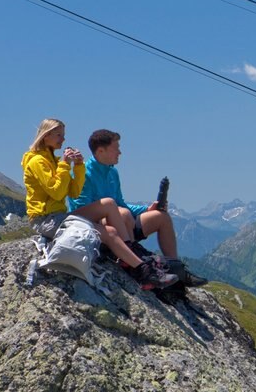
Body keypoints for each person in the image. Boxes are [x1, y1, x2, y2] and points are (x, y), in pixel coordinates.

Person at [22, 118, 177, 290]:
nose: (63, 139)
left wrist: (78, 166)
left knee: (109, 205)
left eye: (63, 135)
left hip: (59, 215)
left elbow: (73, 191)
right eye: (59, 135)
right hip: (45, 219)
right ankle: (142, 270)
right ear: (45, 136)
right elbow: (57, 192)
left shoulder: (53, 161)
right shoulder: (37, 161)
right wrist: (65, 165)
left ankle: (134, 254)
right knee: (110, 230)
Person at [69, 128, 207, 287]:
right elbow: (82, 210)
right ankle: (139, 267)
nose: (119, 152)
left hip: (123, 223)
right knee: (123, 213)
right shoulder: (84, 173)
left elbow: (121, 203)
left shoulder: (113, 173)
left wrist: (147, 209)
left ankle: (177, 270)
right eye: (116, 148)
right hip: (104, 230)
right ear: (101, 150)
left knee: (161, 216)